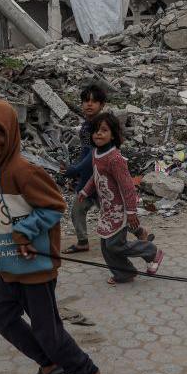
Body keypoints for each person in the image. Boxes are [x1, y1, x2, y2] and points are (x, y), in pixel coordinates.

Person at [0, 99, 104, 374]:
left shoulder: (24, 170)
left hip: (35, 267)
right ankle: (50, 362)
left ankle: (87, 373)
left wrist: (24, 232)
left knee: (48, 331)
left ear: (12, 134)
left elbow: (54, 206)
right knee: (0, 315)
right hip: (10, 264)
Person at [79, 112, 164, 285]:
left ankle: (151, 251)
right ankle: (124, 273)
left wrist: (131, 211)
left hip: (120, 209)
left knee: (115, 245)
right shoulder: (96, 153)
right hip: (107, 209)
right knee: (105, 245)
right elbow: (95, 177)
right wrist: (85, 191)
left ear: (113, 134)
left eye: (104, 130)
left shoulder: (115, 159)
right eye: (96, 130)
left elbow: (127, 187)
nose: (98, 133)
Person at [61, 83, 107, 254]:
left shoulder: (100, 127)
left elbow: (94, 154)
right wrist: (76, 169)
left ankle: (140, 233)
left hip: (102, 178)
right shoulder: (87, 127)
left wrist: (75, 169)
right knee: (77, 210)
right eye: (86, 101)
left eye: (94, 101)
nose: (89, 104)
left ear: (101, 105)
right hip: (89, 178)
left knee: (112, 213)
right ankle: (82, 241)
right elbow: (85, 151)